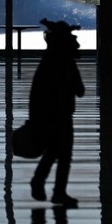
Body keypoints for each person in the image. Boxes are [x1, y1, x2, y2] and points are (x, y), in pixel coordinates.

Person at [28, 18, 85, 208]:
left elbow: (36, 93)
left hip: (47, 113)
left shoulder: (47, 62)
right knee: (64, 154)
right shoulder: (67, 63)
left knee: (54, 151)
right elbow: (80, 90)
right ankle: (57, 191)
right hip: (62, 114)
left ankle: (41, 180)